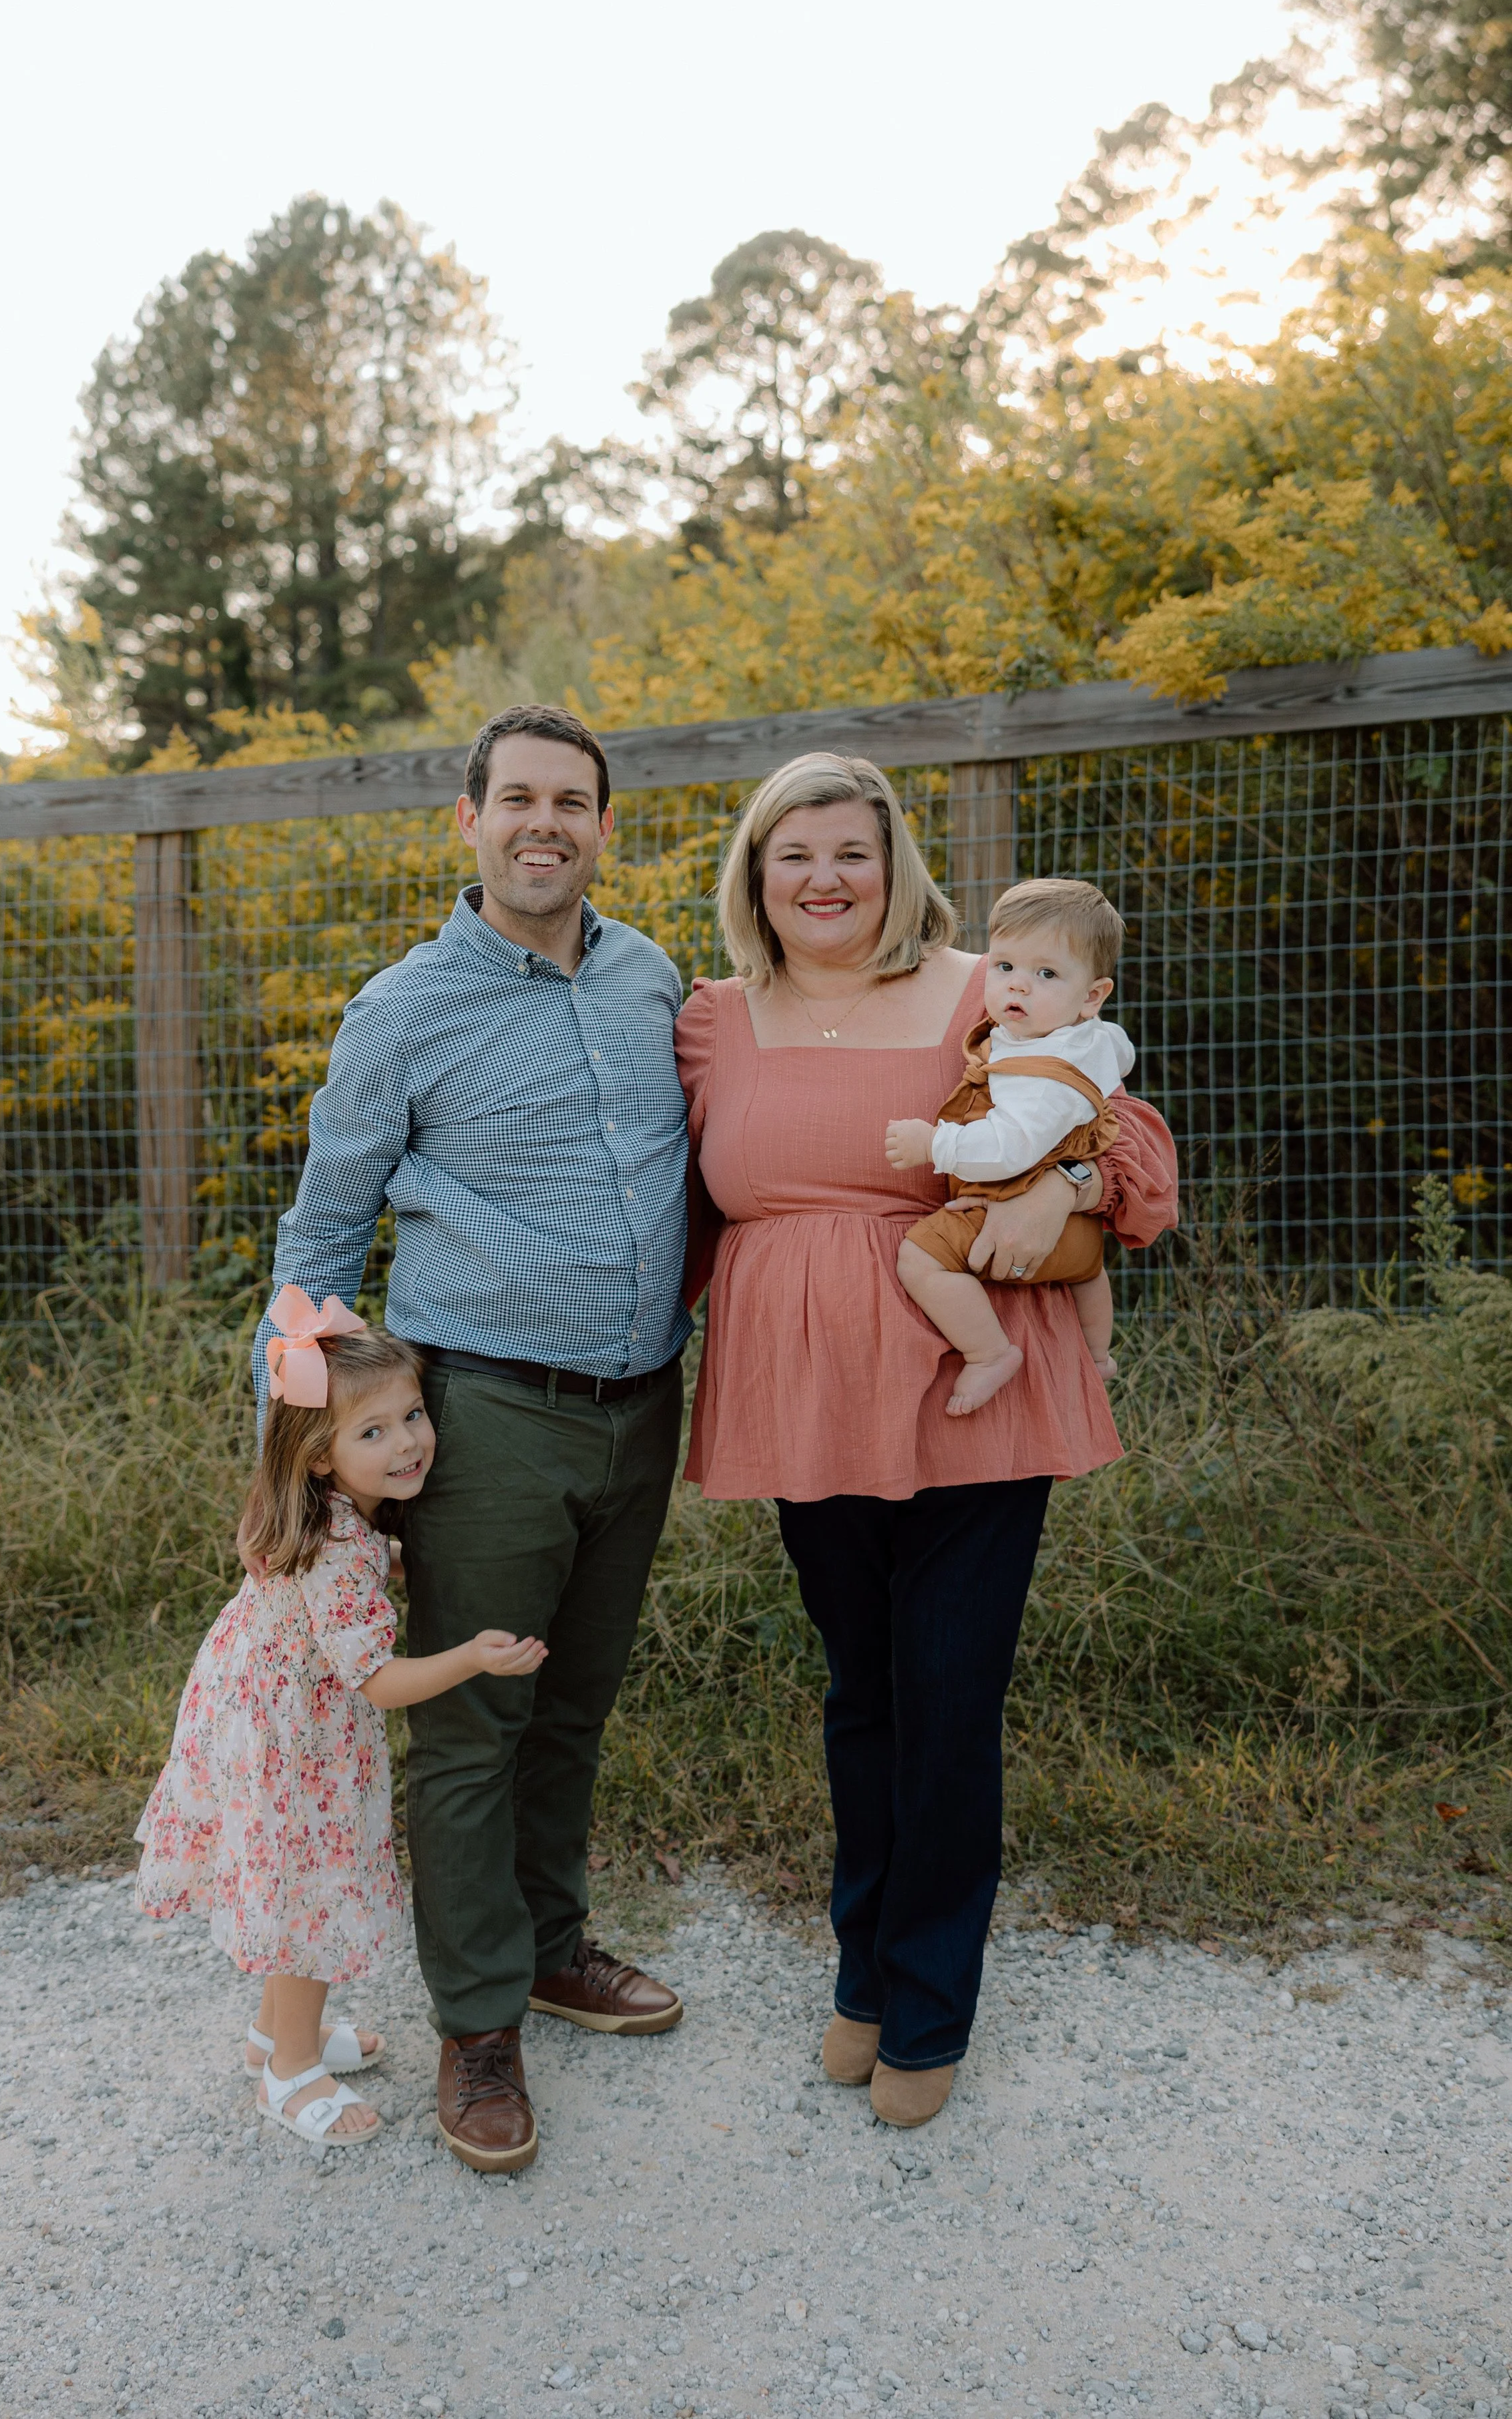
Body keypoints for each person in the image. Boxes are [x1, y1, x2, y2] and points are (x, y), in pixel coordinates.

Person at [676, 752, 1176, 2131]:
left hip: (979, 1388)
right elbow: (670, 1201)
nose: (826, 878)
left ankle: (928, 2000)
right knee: (861, 1694)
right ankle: (860, 1978)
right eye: (796, 855)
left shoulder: (982, 987)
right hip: (802, 1392)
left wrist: (1070, 1181)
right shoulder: (711, 1018)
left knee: (946, 1700)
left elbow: (1120, 1132)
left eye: (853, 850)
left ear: (894, 864)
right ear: (756, 876)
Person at [253, 705, 689, 2177]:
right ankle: (478, 2023)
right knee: (469, 1728)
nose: (542, 824)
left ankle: (552, 1945)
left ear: (602, 826)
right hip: (489, 1409)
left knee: (569, 1702)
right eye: (516, 799)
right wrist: (300, 1451)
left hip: (642, 1404)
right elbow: (321, 1228)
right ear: (468, 820)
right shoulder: (403, 1010)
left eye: (570, 801)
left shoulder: (649, 980)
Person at [136, 1295, 547, 2153]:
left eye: (412, 1415)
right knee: (306, 1899)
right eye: (374, 1433)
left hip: (266, 1715)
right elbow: (380, 1681)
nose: (407, 1443)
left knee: (301, 1893)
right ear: (321, 1457)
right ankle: (287, 2072)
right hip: (300, 1749)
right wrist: (473, 1655)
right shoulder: (338, 1549)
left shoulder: (319, 1520)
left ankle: (273, 2034)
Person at [885, 876, 1134, 1415]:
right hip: (1079, 1233)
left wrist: (937, 1144)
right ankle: (1097, 1356)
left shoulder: (1039, 1075)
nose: (1018, 987)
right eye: (1004, 968)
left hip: (1005, 1205)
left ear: (1093, 995)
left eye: (1045, 974)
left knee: (921, 1259)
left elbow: (1011, 1146)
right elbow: (1121, 1051)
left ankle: (989, 1351)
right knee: (1089, 1270)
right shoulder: (1088, 1038)